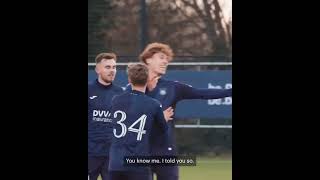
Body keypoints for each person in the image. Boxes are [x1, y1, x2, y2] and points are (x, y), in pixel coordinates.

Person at [126, 42, 232, 180]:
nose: (165, 61)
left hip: (165, 152)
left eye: (167, 59)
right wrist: (158, 117)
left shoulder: (173, 88)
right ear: (148, 59)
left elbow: (203, 93)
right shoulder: (131, 89)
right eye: (161, 57)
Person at [108, 63, 171, 180]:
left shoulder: (116, 100)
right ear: (147, 79)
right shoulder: (153, 104)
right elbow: (162, 131)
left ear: (129, 79)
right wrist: (163, 118)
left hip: (115, 164)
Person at [88, 52, 124, 180]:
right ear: (97, 69)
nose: (112, 70)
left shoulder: (121, 93)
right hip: (90, 154)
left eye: (114, 67)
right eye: (107, 67)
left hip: (112, 156)